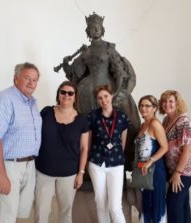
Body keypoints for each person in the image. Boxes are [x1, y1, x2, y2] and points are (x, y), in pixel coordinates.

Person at [60, 12, 140, 170]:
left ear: (102, 29)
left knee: (124, 121)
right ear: (88, 31)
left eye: (97, 27)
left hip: (107, 90)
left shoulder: (109, 48)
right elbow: (76, 74)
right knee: (87, 127)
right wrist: (66, 64)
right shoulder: (85, 51)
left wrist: (117, 91)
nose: (95, 29)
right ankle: (88, 161)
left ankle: (122, 156)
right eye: (91, 28)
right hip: (86, 91)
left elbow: (119, 71)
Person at [0, 62, 42, 223]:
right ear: (16, 79)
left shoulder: (31, 103)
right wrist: (2, 175)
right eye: (27, 78)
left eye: (34, 80)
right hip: (6, 165)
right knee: (1, 216)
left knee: (14, 213)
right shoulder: (5, 99)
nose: (31, 83)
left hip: (27, 164)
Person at [34, 81, 89, 223]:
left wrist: (81, 173)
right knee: (41, 212)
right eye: (63, 92)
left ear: (75, 97)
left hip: (69, 174)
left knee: (66, 213)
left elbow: (84, 148)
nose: (66, 95)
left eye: (70, 93)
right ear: (58, 94)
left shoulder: (82, 120)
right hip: (43, 171)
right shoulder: (46, 112)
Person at [87, 84, 130, 223]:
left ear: (111, 96)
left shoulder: (122, 116)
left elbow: (123, 141)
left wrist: (116, 155)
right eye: (100, 98)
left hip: (116, 164)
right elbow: (88, 141)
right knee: (100, 203)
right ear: (97, 100)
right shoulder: (92, 116)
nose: (103, 100)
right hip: (97, 163)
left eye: (106, 96)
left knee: (114, 206)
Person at [159, 90, 191, 223]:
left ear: (177, 103)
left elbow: (188, 149)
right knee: (183, 204)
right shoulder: (165, 120)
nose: (167, 104)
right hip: (173, 170)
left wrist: (177, 173)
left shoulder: (183, 121)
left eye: (170, 101)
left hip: (184, 171)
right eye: (164, 101)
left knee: (173, 204)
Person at [135, 95, 168, 223]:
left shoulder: (155, 124)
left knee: (156, 204)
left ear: (154, 108)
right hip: (144, 170)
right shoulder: (143, 124)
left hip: (155, 170)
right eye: (141, 105)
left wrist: (150, 161)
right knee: (146, 203)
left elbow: (164, 147)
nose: (144, 108)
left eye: (147, 106)